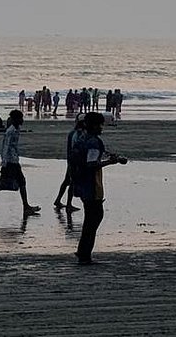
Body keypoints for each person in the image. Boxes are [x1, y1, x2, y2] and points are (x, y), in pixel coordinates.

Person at [70, 111, 128, 265]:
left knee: (90, 218)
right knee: (94, 217)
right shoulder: (94, 142)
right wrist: (110, 162)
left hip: (81, 181)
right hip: (91, 184)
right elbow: (91, 164)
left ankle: (83, 251)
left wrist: (111, 157)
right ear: (95, 126)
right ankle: (84, 254)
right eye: (100, 125)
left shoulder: (81, 138)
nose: (102, 127)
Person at [0, 110, 40, 216]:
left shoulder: (16, 129)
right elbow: (5, 146)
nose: (22, 120)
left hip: (14, 160)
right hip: (10, 161)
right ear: (16, 119)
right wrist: (5, 162)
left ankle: (26, 206)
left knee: (20, 181)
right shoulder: (11, 131)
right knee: (3, 183)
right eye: (21, 118)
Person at [54, 115, 87, 211]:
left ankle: (58, 200)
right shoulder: (78, 134)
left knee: (67, 181)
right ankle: (69, 204)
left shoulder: (72, 133)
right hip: (75, 162)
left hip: (70, 160)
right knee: (72, 182)